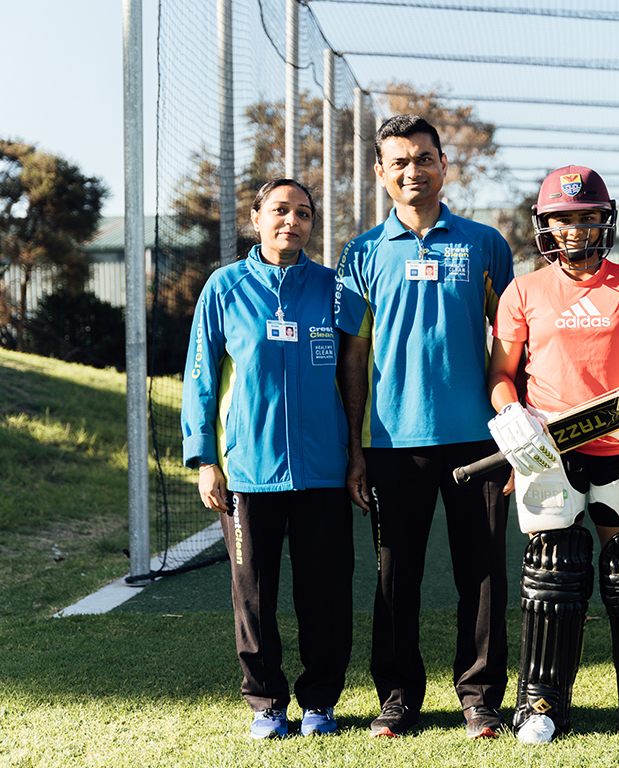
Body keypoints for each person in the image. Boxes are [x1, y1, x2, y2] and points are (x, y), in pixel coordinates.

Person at [487, 166, 619, 744]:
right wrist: (510, 416)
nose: (576, 229)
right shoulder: (522, 291)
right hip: (549, 447)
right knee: (554, 570)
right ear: (545, 225)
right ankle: (541, 704)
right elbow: (501, 374)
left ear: (606, 220)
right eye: (563, 219)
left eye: (587, 217)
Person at [335, 115, 515, 739]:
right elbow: (353, 355)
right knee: (395, 571)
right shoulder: (360, 253)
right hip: (391, 443)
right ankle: (398, 695)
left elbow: (513, 343)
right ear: (382, 174)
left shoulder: (485, 244)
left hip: (478, 440)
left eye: (425, 158)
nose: (414, 171)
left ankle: (482, 695)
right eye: (400, 162)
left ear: (445, 165)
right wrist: (355, 447)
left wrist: (514, 433)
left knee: (484, 571)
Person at [180, 179, 353, 739]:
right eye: (280, 210)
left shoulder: (332, 288)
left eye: (303, 213)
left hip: (323, 470)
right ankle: (266, 704)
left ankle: (320, 702)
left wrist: (356, 454)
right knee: (252, 594)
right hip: (249, 473)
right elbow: (201, 378)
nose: (292, 221)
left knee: (324, 592)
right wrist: (206, 457)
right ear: (256, 218)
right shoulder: (224, 287)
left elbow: (356, 376)